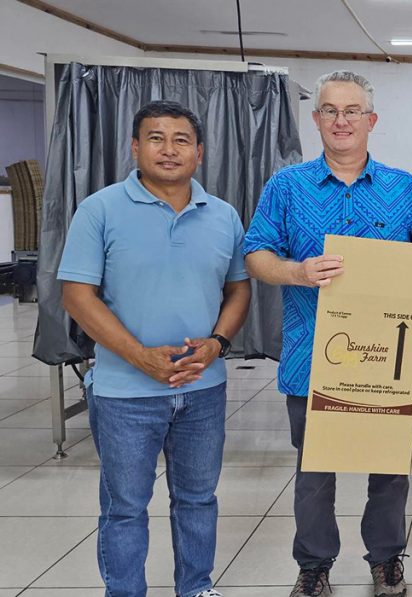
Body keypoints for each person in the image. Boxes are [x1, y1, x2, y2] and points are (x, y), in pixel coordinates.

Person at [243, 70, 412, 597]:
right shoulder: (286, 186)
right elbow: (256, 253)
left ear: (371, 120)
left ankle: (386, 559)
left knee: (390, 471)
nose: (341, 120)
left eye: (352, 110)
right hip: (312, 357)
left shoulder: (403, 188)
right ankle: (314, 566)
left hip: (390, 362)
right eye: (331, 110)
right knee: (315, 474)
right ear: (316, 119)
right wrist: (296, 271)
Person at [59, 100, 251, 597]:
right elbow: (77, 295)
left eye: (181, 140)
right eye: (156, 138)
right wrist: (138, 356)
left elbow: (238, 289)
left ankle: (196, 588)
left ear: (199, 152)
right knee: (125, 507)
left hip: (203, 389)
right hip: (125, 393)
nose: (169, 150)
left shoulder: (223, 215)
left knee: (198, 499)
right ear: (135, 146)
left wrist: (217, 343)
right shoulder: (100, 209)